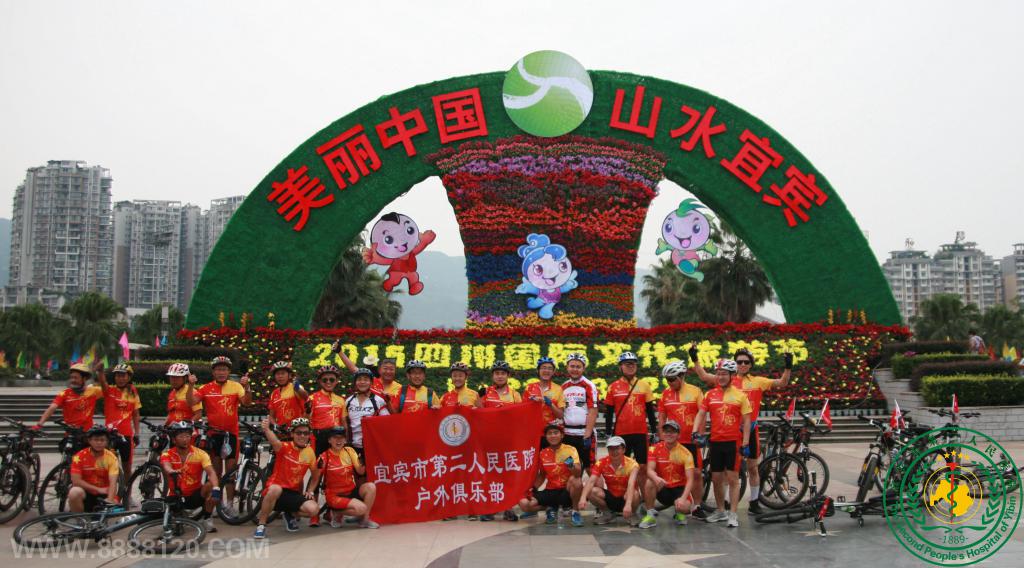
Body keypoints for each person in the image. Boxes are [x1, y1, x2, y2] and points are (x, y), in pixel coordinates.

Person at [690, 345, 791, 515]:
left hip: (750, 430)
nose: (742, 364)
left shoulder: (758, 381)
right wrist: (695, 358)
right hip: (729, 431)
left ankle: (754, 502)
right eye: (739, 362)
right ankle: (725, 504)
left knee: (752, 468)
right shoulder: (726, 378)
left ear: (750, 364)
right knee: (726, 472)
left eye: (746, 362)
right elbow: (703, 375)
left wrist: (788, 367)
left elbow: (782, 383)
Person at [691, 358, 752, 528]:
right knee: (716, 479)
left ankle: (733, 514)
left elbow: (747, 421)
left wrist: (746, 443)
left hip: (733, 442)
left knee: (733, 479)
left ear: (732, 375)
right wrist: (695, 431)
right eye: (718, 374)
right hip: (715, 442)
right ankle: (720, 511)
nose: (721, 377)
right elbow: (701, 413)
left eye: (724, 374)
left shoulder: (740, 396)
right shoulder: (710, 394)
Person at [187, 355, 252, 510]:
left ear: (228, 372)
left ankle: (229, 504)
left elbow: (247, 403)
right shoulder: (205, 388)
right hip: (213, 435)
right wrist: (190, 386)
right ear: (213, 372)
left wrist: (247, 387)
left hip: (231, 435)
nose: (221, 372)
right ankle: (215, 504)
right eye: (218, 370)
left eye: (224, 369)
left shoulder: (236, 386)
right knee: (215, 473)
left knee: (230, 472)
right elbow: (191, 402)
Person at [656, 359, 706, 518]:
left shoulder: (695, 391)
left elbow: (702, 414)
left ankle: (697, 506)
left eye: (672, 379)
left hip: (691, 440)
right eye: (667, 380)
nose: (669, 383)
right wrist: (661, 437)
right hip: (673, 442)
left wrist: (701, 434)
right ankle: (679, 502)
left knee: (696, 473)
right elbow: (661, 417)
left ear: (682, 376)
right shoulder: (665, 394)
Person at [254, 417, 319, 539]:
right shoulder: (284, 447)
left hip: (292, 493)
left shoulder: (310, 452)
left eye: (306, 433)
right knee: (275, 489)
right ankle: (261, 524)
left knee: (314, 509)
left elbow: (315, 476)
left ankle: (289, 514)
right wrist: (267, 429)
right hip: (275, 491)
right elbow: (274, 441)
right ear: (292, 434)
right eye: (298, 433)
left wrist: (310, 491)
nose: (302, 436)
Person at [308, 425, 379, 529]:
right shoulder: (323, 457)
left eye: (341, 438)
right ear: (329, 440)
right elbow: (315, 478)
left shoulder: (349, 451)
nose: (339, 440)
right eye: (335, 437)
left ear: (345, 440)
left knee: (371, 487)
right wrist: (310, 491)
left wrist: (363, 459)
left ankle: (364, 520)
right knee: (362, 508)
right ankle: (335, 512)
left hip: (350, 491)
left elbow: (360, 471)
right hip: (334, 496)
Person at [603, 351, 656, 488]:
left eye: (633, 364)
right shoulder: (613, 387)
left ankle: (643, 494)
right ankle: (625, 493)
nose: (631, 366)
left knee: (642, 466)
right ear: (620, 367)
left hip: (640, 432)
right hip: (621, 433)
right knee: (622, 465)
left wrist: (655, 431)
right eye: (627, 364)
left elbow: (650, 411)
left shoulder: (644, 385)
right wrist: (608, 433)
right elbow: (609, 413)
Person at [479, 360, 522, 521]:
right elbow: (479, 413)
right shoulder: (485, 392)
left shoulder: (514, 394)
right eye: (497, 373)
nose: (500, 376)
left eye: (503, 373)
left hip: (508, 440)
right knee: (490, 474)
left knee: (507, 474)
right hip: (489, 440)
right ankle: (491, 508)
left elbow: (521, 415)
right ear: (493, 376)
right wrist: (480, 399)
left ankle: (508, 507)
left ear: (508, 375)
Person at [160, 420, 221, 533]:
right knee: (174, 529)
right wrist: (172, 471)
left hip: (194, 495)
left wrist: (216, 488)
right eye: (181, 436)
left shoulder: (201, 454)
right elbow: (166, 466)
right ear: (174, 439)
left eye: (187, 436)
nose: (185, 439)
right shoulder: (167, 454)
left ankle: (207, 518)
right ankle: (179, 515)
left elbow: (211, 472)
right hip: (175, 496)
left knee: (210, 486)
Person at [519, 423, 584, 527]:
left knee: (576, 480)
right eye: (549, 433)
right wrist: (532, 489)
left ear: (562, 435)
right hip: (550, 491)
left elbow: (578, 473)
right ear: (546, 437)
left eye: (555, 433)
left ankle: (575, 512)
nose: (553, 435)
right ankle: (550, 508)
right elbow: (542, 475)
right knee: (524, 503)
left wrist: (569, 463)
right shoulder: (542, 453)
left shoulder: (570, 449)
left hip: (566, 491)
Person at [638, 420, 698, 529]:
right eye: (666, 431)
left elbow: (690, 479)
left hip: (679, 489)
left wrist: (683, 498)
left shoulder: (686, 453)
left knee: (684, 507)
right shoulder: (654, 448)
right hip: (662, 486)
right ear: (662, 434)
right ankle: (650, 515)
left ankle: (679, 512)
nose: (669, 434)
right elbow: (649, 470)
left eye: (672, 432)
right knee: (650, 481)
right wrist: (655, 477)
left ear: (678, 435)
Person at [35, 363, 104, 450]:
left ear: (84, 379)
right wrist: (40, 424)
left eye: (76, 378)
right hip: (70, 434)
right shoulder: (64, 393)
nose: (73, 380)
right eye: (71, 377)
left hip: (88, 435)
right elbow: (52, 407)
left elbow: (106, 389)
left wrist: (100, 372)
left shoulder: (93, 391)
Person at [579, 436, 640, 525]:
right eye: (611, 449)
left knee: (635, 493)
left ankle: (632, 514)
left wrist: (628, 504)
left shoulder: (632, 464)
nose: (614, 452)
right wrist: (583, 498)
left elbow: (631, 484)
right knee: (591, 491)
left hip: (627, 496)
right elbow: (591, 481)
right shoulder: (601, 463)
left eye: (617, 448)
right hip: (611, 496)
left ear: (623, 450)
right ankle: (608, 514)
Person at [95, 363, 141, 474]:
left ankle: (127, 486)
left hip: (126, 435)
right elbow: (103, 383)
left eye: (123, 376)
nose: (120, 379)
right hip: (109, 434)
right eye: (118, 376)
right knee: (107, 466)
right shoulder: (109, 391)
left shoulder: (133, 392)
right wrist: (100, 372)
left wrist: (137, 433)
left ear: (129, 377)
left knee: (127, 467)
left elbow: (135, 414)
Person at [68, 425, 120, 513]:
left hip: (105, 493)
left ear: (107, 441)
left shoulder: (111, 457)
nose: (99, 443)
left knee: (114, 507)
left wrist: (110, 500)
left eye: (102, 440)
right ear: (89, 441)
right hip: (86, 492)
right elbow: (76, 481)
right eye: (96, 440)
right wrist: (97, 489)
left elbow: (113, 482)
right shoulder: (79, 456)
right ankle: (80, 518)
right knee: (74, 492)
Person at [561, 353, 598, 472]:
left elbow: (593, 410)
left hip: (584, 434)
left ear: (583, 368)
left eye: (578, 366)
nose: (575, 369)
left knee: (590, 468)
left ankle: (598, 486)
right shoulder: (564, 386)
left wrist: (587, 434)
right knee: (570, 468)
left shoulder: (589, 385)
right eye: (572, 366)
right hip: (567, 435)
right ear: (567, 367)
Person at [344, 368, 390, 461]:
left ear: (371, 383)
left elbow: (387, 423)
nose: (362, 382)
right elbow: (345, 422)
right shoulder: (349, 401)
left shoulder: (378, 400)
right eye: (359, 379)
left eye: (366, 379)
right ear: (355, 382)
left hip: (372, 446)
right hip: (352, 447)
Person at [524, 357, 565, 447]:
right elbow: (522, 411)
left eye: (550, 368)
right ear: (538, 370)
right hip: (532, 432)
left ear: (553, 372)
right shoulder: (529, 387)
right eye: (543, 368)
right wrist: (531, 403)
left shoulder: (558, 389)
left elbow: (561, 415)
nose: (546, 371)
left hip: (550, 434)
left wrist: (550, 404)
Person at [307, 365, 347, 457]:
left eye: (332, 380)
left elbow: (344, 422)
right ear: (320, 381)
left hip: (336, 437)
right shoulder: (312, 398)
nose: (328, 382)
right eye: (325, 380)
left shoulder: (341, 400)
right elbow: (307, 420)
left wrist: (346, 439)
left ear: (336, 381)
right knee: (319, 464)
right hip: (319, 438)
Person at [268, 360, 308, 427]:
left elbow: (305, 396)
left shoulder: (295, 387)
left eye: (283, 373)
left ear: (289, 375)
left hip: (297, 429)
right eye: (277, 374)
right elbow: (271, 416)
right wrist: (275, 425)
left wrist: (297, 388)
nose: (280, 376)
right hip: (282, 430)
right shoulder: (274, 393)